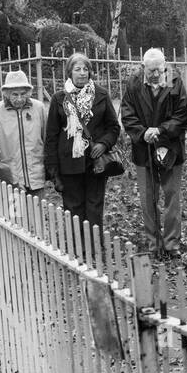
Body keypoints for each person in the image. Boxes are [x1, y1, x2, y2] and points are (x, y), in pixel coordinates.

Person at [121, 48, 187, 259]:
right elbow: (127, 114)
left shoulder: (175, 82)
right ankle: (153, 244)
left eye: (159, 70)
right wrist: (143, 133)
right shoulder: (133, 84)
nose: (155, 74)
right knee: (148, 199)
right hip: (144, 149)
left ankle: (171, 243)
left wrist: (160, 131)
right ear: (143, 68)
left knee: (172, 197)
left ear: (165, 65)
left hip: (171, 148)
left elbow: (182, 115)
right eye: (150, 71)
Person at [45, 53, 120, 238]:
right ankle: (77, 249)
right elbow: (51, 137)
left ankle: (94, 245)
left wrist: (103, 144)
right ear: (69, 72)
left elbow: (113, 127)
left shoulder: (101, 95)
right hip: (69, 163)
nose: (82, 73)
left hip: (95, 163)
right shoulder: (59, 99)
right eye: (77, 69)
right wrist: (53, 170)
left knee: (94, 205)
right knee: (73, 207)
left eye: (85, 69)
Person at [0, 70, 49, 196]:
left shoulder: (39, 108)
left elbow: (46, 138)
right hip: (11, 176)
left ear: (29, 92)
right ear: (6, 94)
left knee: (37, 212)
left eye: (23, 94)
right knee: (16, 214)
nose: (19, 98)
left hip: (36, 173)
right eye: (14, 94)